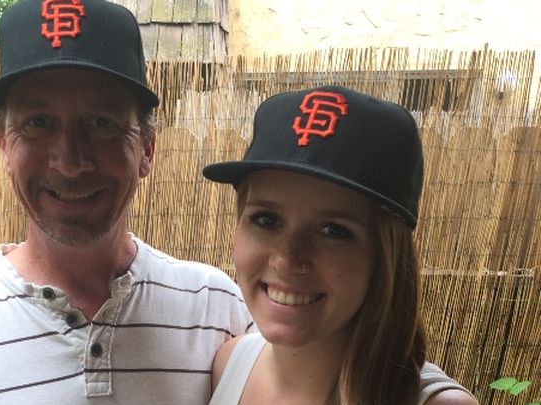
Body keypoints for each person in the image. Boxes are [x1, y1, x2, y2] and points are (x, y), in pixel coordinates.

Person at [0, 0, 253, 403]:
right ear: (4, 144)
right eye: (38, 123)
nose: (71, 162)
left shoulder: (217, 314)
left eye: (101, 123)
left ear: (147, 147)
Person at [203, 86, 478, 404]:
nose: (286, 260)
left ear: (386, 256)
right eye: (266, 220)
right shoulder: (229, 364)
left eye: (333, 230)